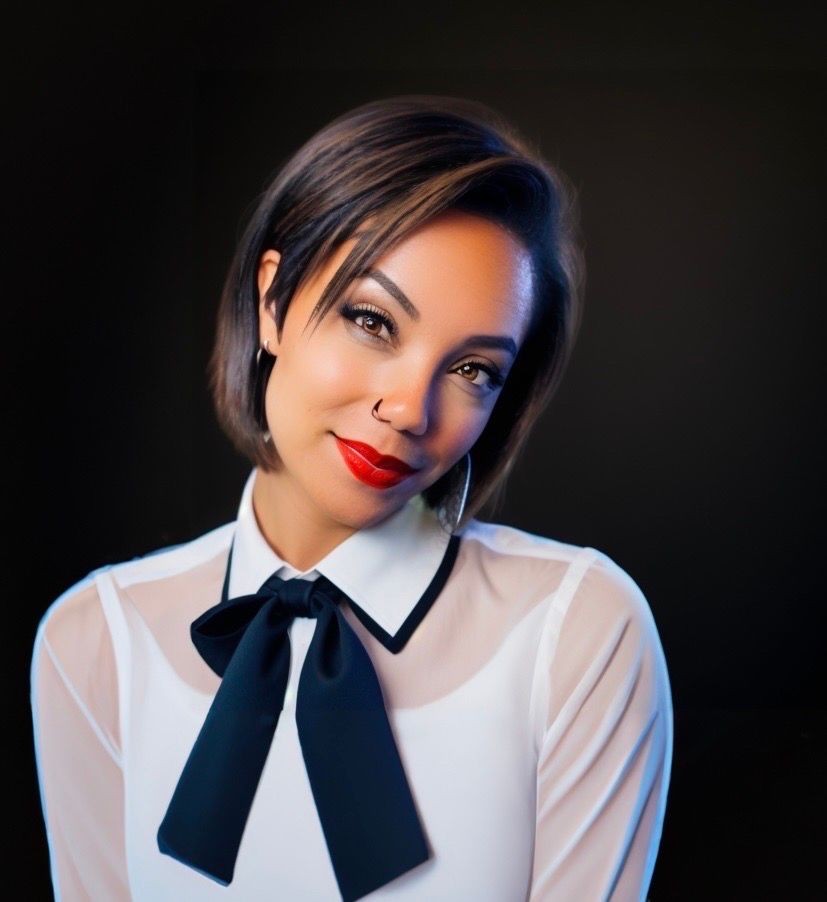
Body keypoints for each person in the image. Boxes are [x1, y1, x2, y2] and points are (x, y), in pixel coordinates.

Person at [30, 94, 673, 901]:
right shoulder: (97, 642)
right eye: (372, 321)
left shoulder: (577, 631)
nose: (409, 409)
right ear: (272, 302)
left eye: (472, 370)